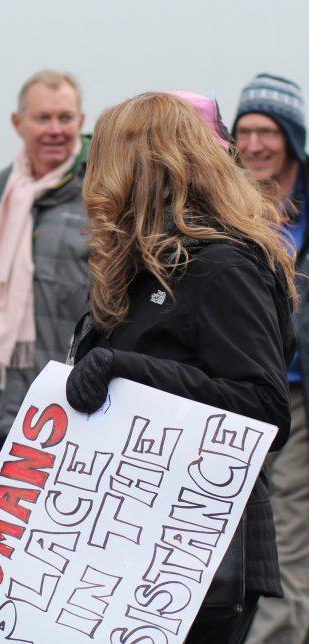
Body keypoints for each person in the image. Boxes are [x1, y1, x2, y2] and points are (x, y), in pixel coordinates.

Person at [65, 92, 296, 644]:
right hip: (131, 548)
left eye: (105, 156)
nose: (91, 173)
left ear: (145, 169)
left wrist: (127, 370)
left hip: (197, 559)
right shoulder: (146, 264)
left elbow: (264, 407)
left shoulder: (222, 267)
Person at [0, 69, 90, 503]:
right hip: (0, 423)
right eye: (43, 118)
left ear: (81, 121)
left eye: (66, 118)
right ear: (17, 123)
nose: (55, 130)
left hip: (78, 421)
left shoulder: (103, 197)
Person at [233, 73, 309, 644]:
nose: (255, 144)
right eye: (245, 130)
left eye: (267, 130)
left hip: (295, 390)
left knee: (288, 526)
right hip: (237, 389)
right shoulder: (228, 200)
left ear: (291, 137)